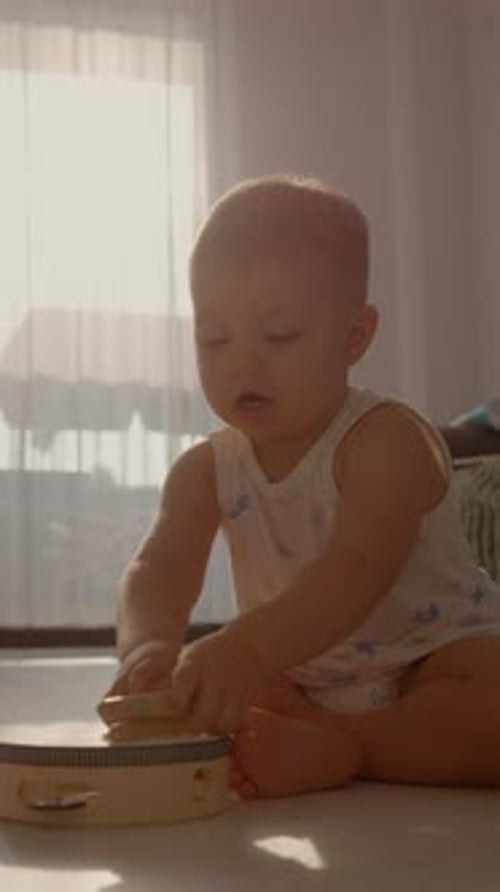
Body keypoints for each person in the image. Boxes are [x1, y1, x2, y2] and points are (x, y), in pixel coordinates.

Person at [100, 175, 500, 798]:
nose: (243, 363)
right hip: (297, 675)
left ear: (355, 337)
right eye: (215, 339)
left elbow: (357, 568)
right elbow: (159, 563)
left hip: (430, 661)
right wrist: (148, 645)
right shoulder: (206, 469)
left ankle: (351, 746)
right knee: (205, 692)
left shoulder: (385, 441)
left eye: (280, 336)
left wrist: (249, 649)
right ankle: (312, 735)